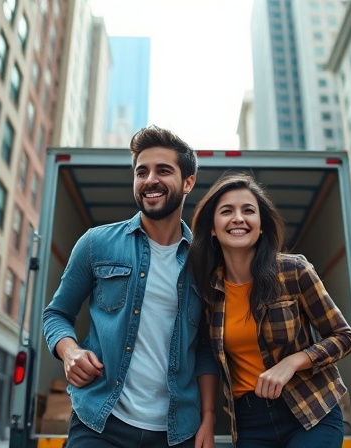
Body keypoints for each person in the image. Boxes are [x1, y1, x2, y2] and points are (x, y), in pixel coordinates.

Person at [43, 125, 219, 448]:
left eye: (163, 170)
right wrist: (69, 352)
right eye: (141, 172)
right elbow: (56, 315)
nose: (150, 180)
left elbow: (206, 349)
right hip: (100, 422)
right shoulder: (96, 244)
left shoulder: (204, 263)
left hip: (176, 432)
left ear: (188, 182)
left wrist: (208, 417)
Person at [187, 172, 351, 448]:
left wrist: (292, 362)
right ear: (212, 228)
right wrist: (206, 417)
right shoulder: (209, 290)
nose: (239, 218)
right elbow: (206, 354)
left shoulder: (294, 271)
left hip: (310, 408)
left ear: (262, 225)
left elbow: (344, 337)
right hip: (249, 421)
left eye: (248, 211)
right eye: (227, 211)